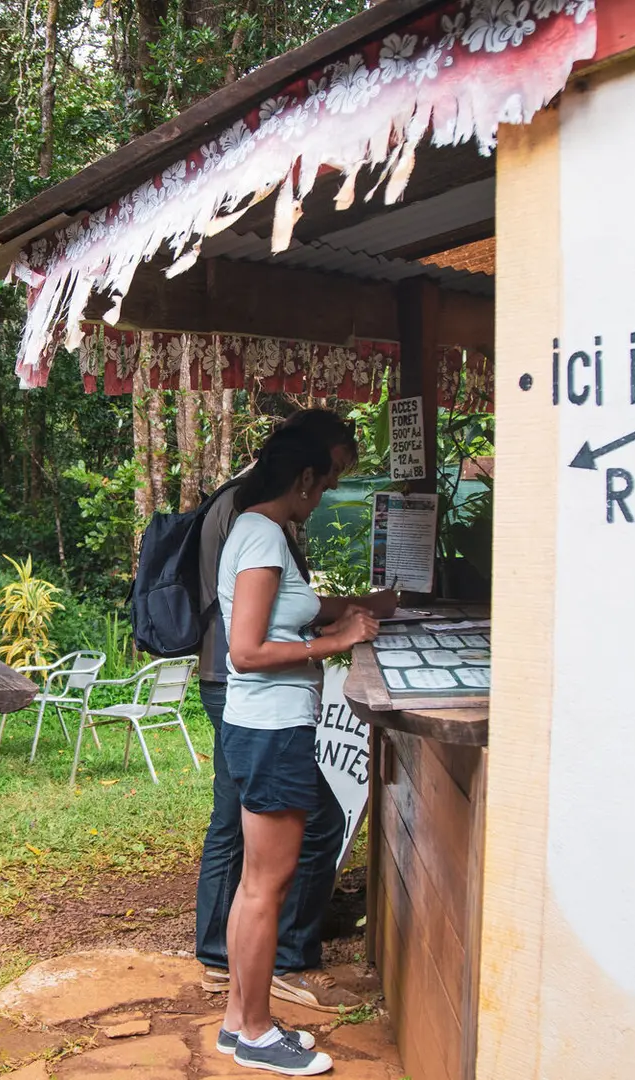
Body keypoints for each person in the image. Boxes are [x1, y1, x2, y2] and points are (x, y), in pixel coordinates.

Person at [194, 411, 395, 1014]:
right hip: (270, 727)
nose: (327, 493)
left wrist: (351, 611)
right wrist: (335, 641)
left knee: (258, 883)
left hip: (268, 726)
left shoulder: (262, 530)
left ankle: (241, 1016)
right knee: (262, 887)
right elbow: (248, 650)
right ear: (304, 477)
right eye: (327, 482)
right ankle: (253, 1026)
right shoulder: (261, 535)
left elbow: (279, 614)